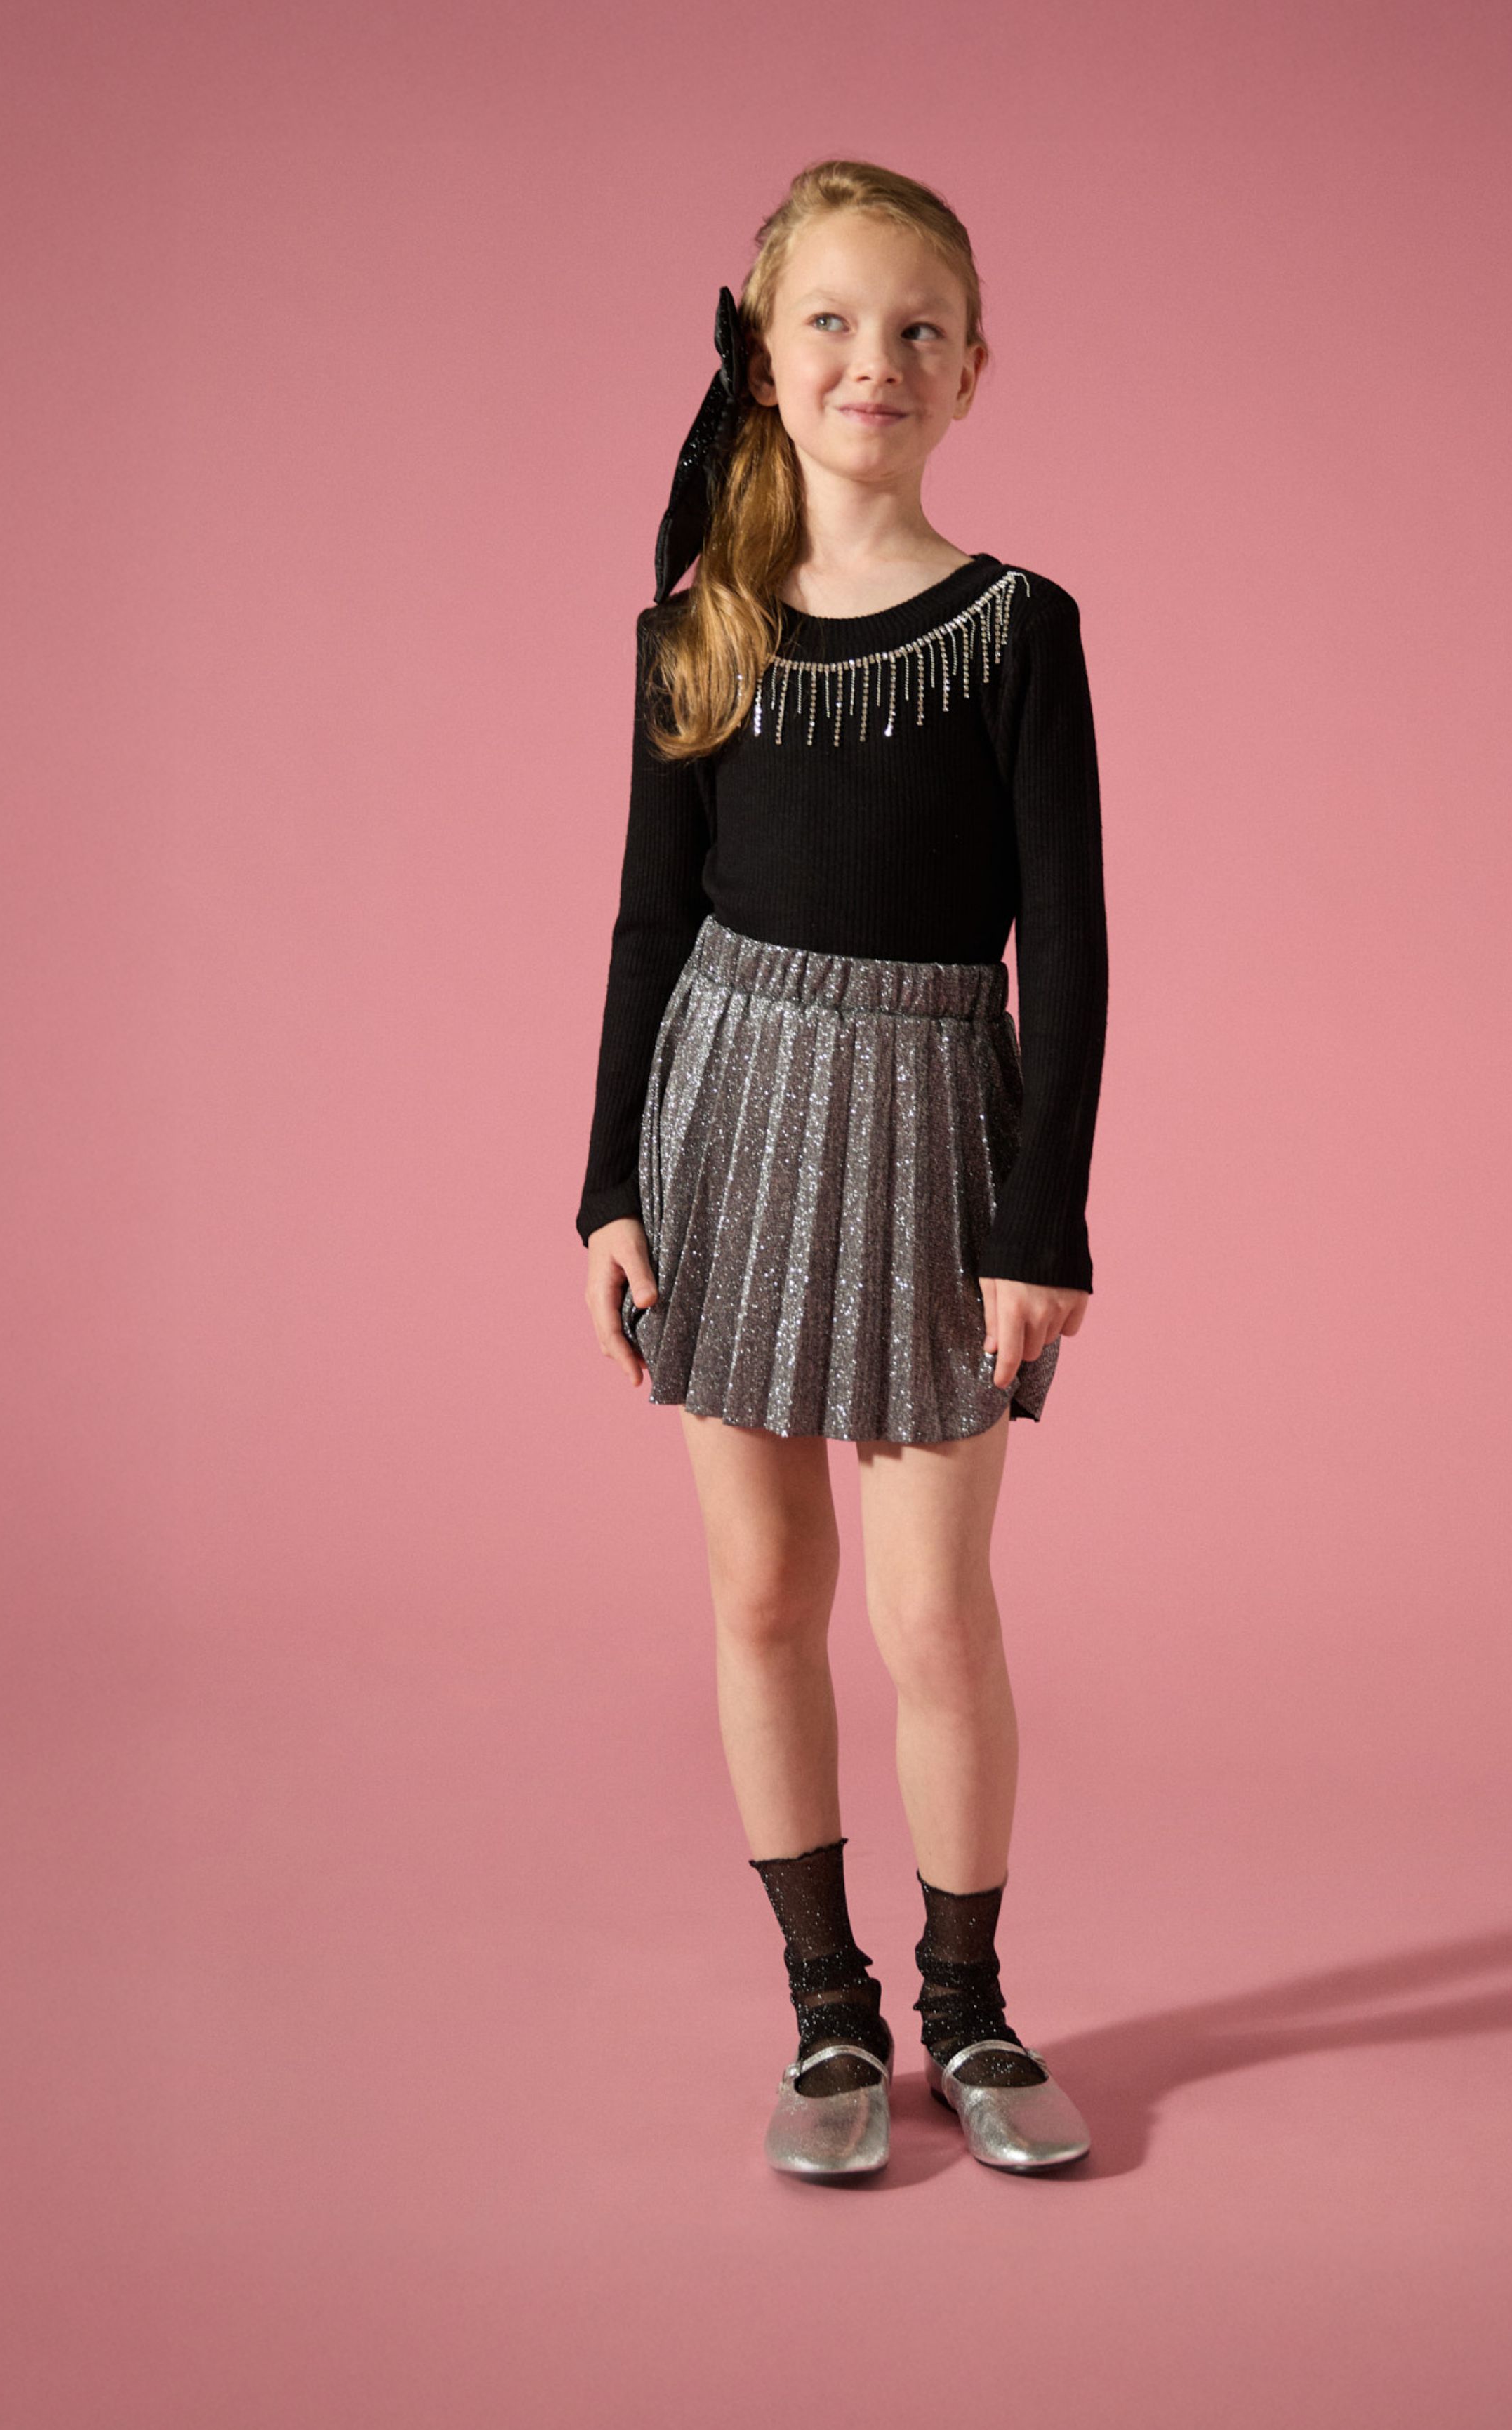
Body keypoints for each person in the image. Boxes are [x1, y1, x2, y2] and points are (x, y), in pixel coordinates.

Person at [576, 159, 1108, 2179]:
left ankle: (969, 2008)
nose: (871, 359)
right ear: (763, 351)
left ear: (973, 369)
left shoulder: (1021, 628)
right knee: (761, 1590)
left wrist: (1045, 1217)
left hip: (940, 1134)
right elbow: (649, 924)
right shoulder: (696, 630)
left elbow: (1067, 943)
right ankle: (827, 2018)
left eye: (915, 328)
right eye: (830, 321)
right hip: (725, 1121)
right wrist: (607, 1187)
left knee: (933, 1609)